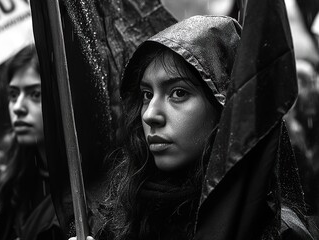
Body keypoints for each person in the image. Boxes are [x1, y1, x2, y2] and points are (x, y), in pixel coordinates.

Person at [70, 15, 318, 240]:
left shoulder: (275, 232)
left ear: (224, 108)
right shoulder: (123, 221)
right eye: (146, 94)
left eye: (178, 93)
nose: (150, 114)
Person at [0, 46, 66, 240]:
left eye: (35, 94)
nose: (18, 107)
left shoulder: (85, 193)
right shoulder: (16, 180)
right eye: (13, 95)